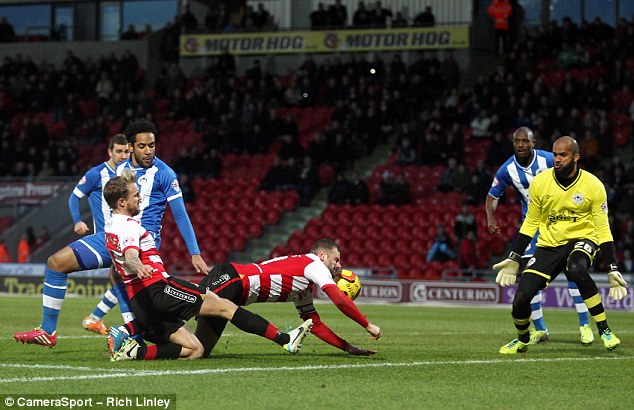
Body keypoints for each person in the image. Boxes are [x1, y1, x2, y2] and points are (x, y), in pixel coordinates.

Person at [103, 170, 312, 361]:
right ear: (122, 202)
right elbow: (130, 254)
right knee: (225, 306)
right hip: (158, 288)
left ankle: (133, 351)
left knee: (196, 350)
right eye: (135, 195)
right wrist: (139, 266)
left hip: (140, 300)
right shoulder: (129, 226)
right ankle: (285, 339)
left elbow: (121, 260)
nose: (140, 197)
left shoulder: (111, 225)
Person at [494, 136, 627, 354]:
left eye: (563, 155)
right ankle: (522, 339)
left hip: (583, 239)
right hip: (549, 245)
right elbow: (531, 223)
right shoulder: (540, 183)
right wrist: (514, 257)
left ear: (576, 157)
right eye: (555, 154)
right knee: (521, 299)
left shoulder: (593, 185)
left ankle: (604, 330)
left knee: (576, 268)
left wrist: (612, 267)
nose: (557, 159)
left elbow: (603, 229)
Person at [13, 135, 132, 345]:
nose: (123, 156)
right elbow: (74, 196)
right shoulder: (96, 174)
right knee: (119, 280)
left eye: (126, 152)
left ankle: (56, 329)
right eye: (119, 152)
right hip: (107, 239)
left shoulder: (133, 174)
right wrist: (77, 220)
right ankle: (119, 328)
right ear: (110, 152)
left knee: (120, 281)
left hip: (124, 239)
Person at [486, 127, 594, 345]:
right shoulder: (507, 170)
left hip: (560, 223)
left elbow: (576, 178)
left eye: (525, 141)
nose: (521, 145)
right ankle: (540, 329)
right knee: (528, 277)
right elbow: (492, 196)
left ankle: (585, 325)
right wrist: (490, 218)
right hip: (533, 227)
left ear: (533, 142)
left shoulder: (549, 159)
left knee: (573, 272)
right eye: (517, 141)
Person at [194, 238, 382, 357]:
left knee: (199, 350)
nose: (339, 265)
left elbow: (314, 324)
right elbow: (339, 300)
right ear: (323, 256)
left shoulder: (303, 286)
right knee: (182, 306)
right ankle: (284, 339)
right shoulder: (314, 264)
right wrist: (367, 325)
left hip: (233, 292)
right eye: (336, 259)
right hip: (232, 278)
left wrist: (347, 347)